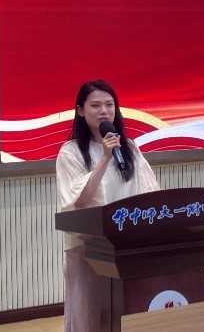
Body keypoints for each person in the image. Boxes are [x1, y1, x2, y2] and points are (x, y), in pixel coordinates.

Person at [56, 79, 160, 332]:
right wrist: (104, 157)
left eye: (109, 104)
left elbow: (150, 192)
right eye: (95, 105)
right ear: (81, 110)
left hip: (128, 244)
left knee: (129, 310)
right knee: (91, 313)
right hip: (89, 248)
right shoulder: (70, 152)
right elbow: (79, 201)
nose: (104, 111)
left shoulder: (129, 147)